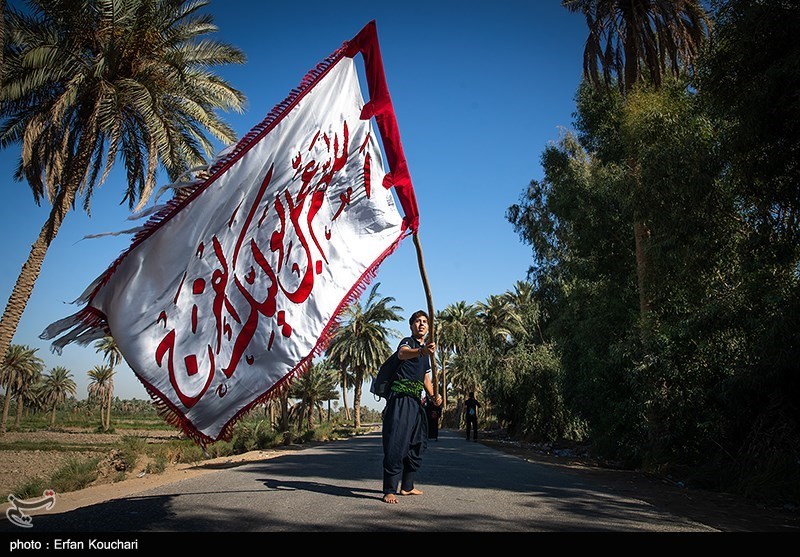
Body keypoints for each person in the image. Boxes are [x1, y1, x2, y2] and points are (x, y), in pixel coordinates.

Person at [381, 310, 442, 504]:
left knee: (418, 443)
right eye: (417, 321)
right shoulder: (408, 343)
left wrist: (433, 396)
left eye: (425, 322)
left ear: (428, 327)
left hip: (417, 402)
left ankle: (407, 486)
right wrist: (422, 351)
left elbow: (425, 377)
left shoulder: (426, 352)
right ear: (411, 325)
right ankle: (389, 490)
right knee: (396, 443)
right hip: (400, 400)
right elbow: (402, 354)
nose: (421, 324)